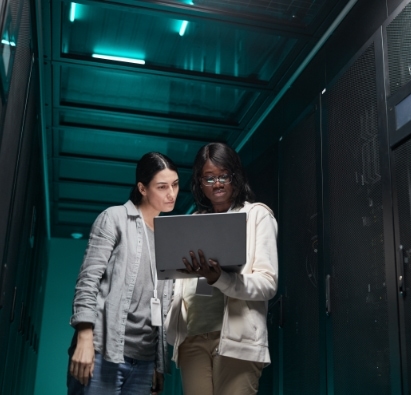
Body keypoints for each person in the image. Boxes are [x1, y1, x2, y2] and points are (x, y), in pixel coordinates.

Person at [165, 142, 278, 395]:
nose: (217, 183)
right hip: (192, 339)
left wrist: (220, 278)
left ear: (235, 176)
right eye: (209, 178)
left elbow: (268, 284)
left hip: (238, 342)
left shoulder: (257, 216)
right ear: (199, 183)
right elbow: (180, 287)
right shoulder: (192, 221)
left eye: (223, 176)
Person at [67, 152, 179, 395]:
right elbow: (88, 281)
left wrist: (158, 365)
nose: (171, 193)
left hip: (144, 362)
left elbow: (164, 305)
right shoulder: (114, 218)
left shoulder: (169, 237)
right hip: (103, 351)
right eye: (162, 187)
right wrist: (85, 339)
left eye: (175, 184)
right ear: (142, 188)